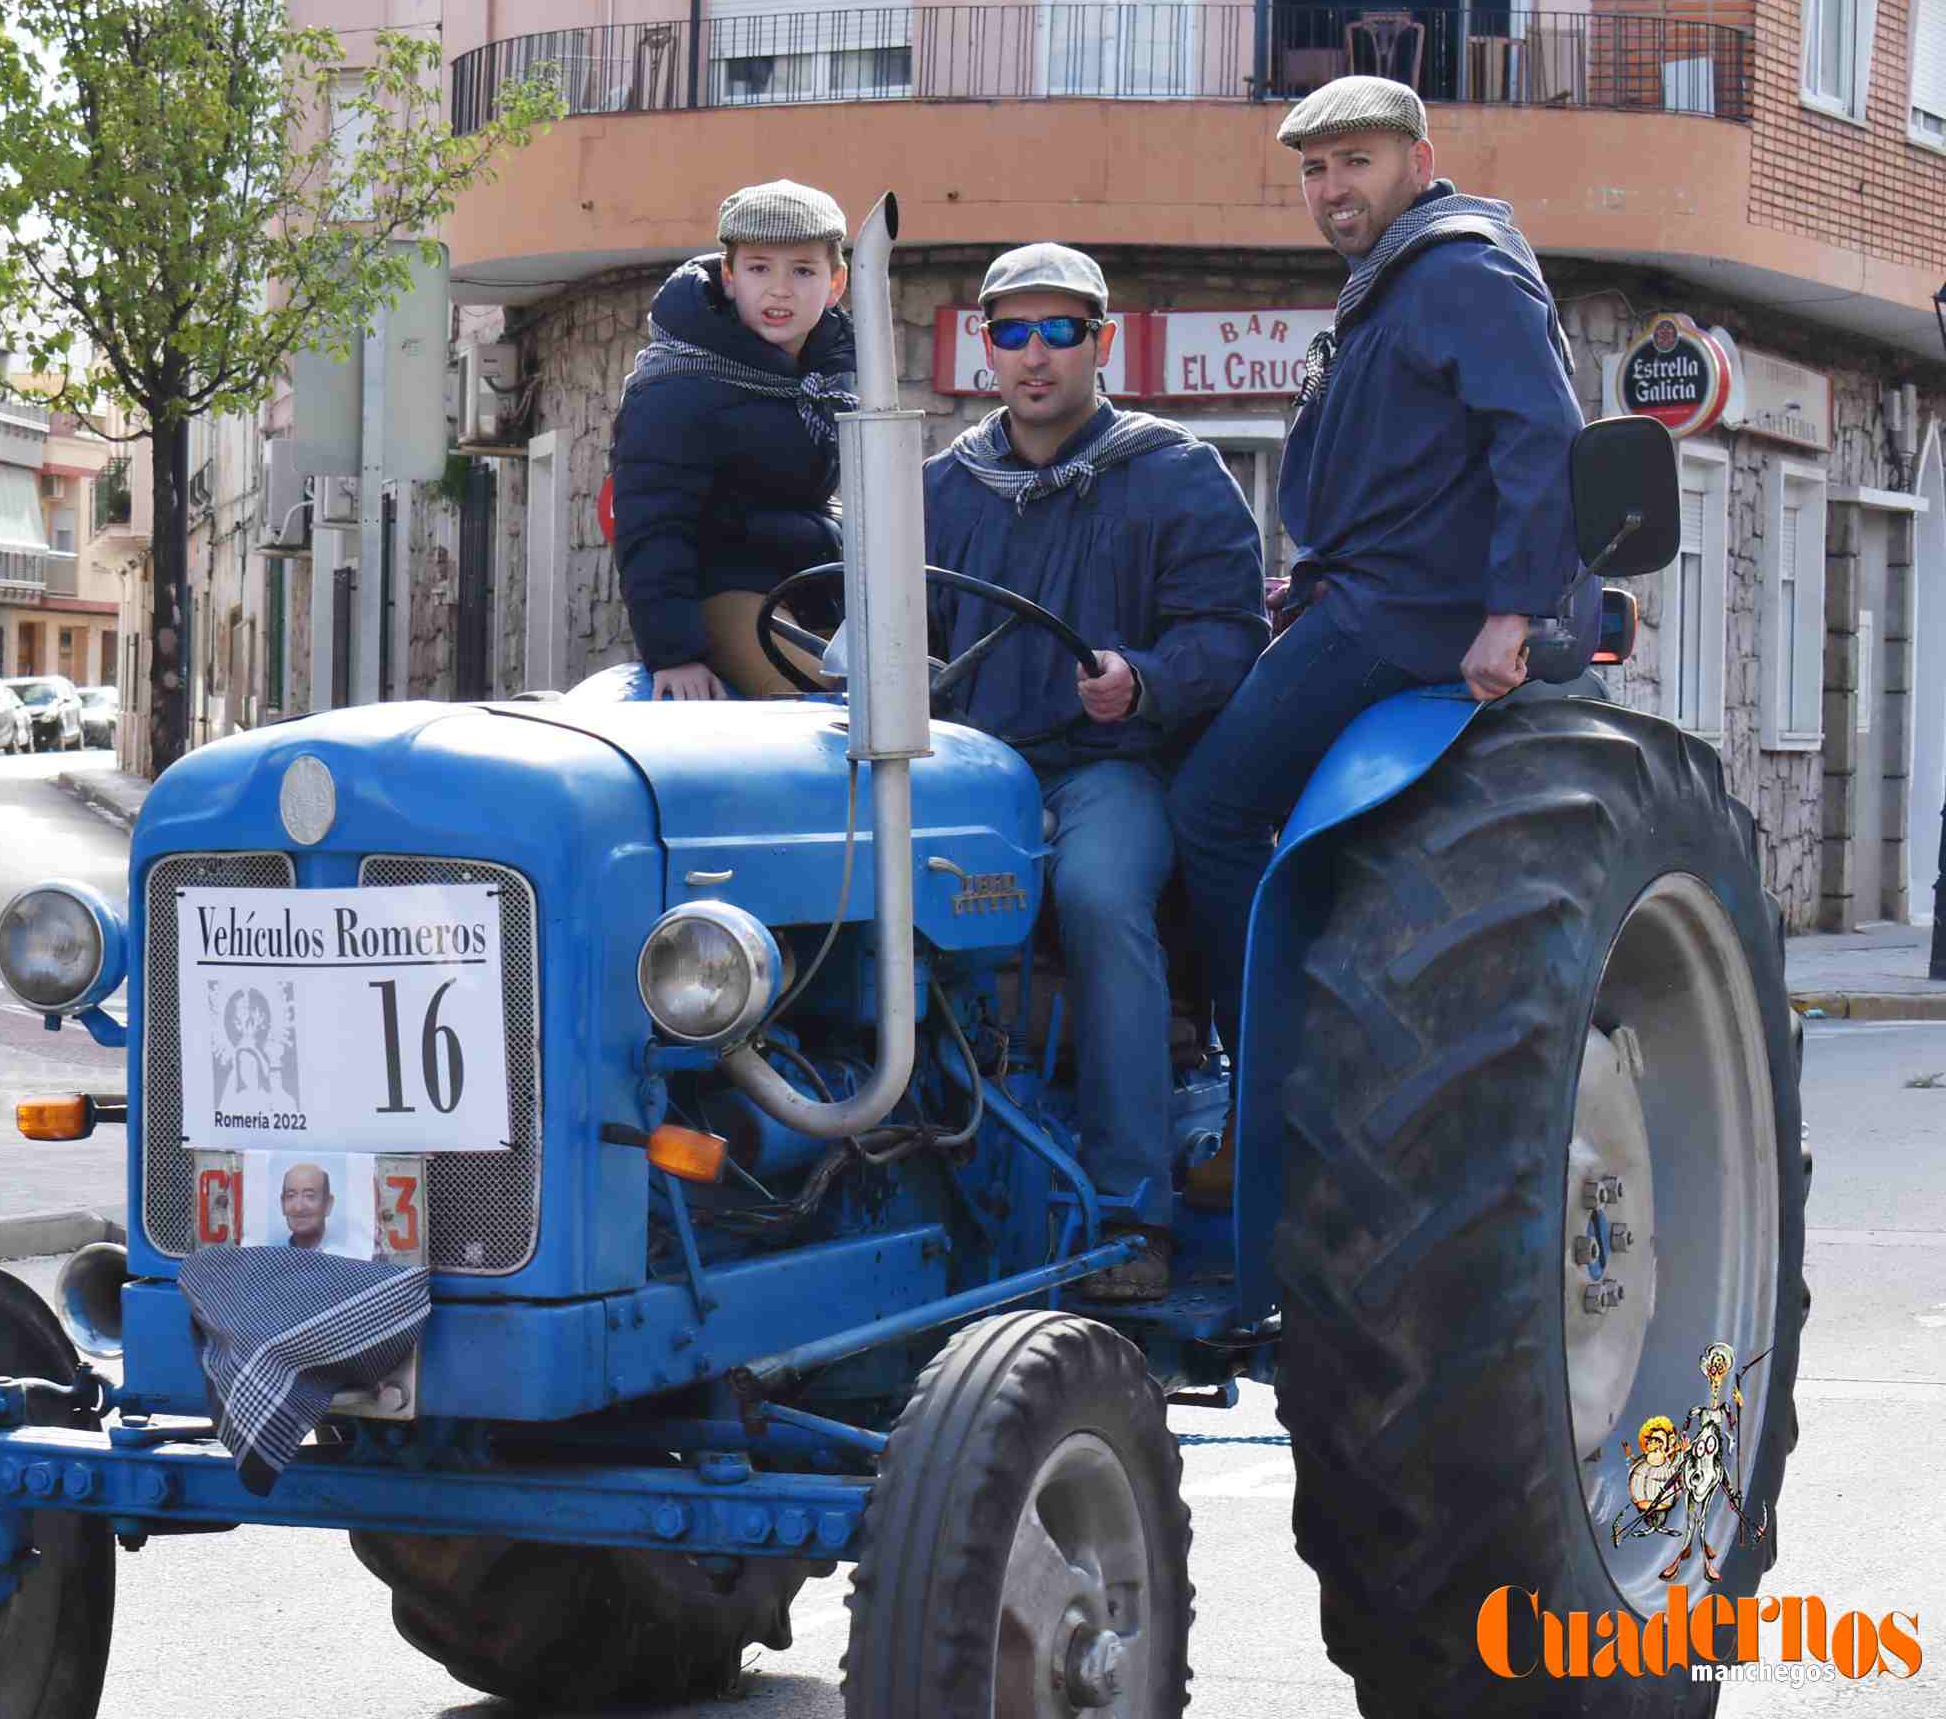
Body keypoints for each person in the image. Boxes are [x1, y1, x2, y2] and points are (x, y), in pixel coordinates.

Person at [1165, 76, 1591, 1204]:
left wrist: (1514, 606)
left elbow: (1539, 432)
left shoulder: (1455, 267)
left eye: (1354, 160)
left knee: (1207, 805)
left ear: (1416, 155)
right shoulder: (1396, 280)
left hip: (1403, 612)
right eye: (1313, 168)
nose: (1331, 188)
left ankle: (1264, 1090)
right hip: (1358, 590)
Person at [924, 245, 1267, 1299]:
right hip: (967, 770)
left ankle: (1131, 1213)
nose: (1035, 355)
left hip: (1105, 770)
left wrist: (1145, 677)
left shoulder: (1172, 473)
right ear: (985, 346)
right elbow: (886, 632)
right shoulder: (941, 486)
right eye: (1012, 332)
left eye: (1059, 331)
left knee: (1098, 894)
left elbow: (1232, 634)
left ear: (1100, 342)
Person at [611, 180, 856, 700]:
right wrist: (676, 654)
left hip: (812, 585)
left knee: (924, 685)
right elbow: (651, 524)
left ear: (836, 284)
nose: (780, 290)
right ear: (729, 276)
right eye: (759, 268)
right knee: (827, 704)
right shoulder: (677, 386)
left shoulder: (828, 381)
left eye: (804, 271)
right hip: (723, 591)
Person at [279, 1163, 332, 1250]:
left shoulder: (347, 1258)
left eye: (309, 1196)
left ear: (328, 1204)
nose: (298, 1208)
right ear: (282, 1204)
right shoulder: (273, 1256)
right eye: (291, 1196)